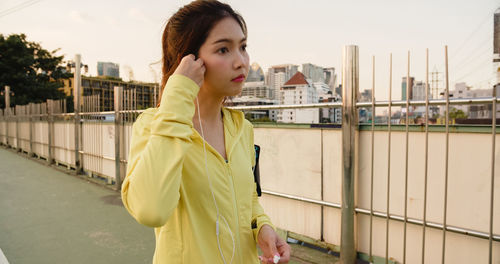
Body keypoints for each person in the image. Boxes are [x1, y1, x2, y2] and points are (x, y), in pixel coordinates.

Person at [120, 1, 291, 263]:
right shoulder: (155, 125)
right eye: (223, 49)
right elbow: (150, 210)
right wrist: (177, 97)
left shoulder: (241, 128)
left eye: (243, 47)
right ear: (189, 61)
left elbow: (248, 199)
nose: (241, 62)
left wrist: (262, 226)